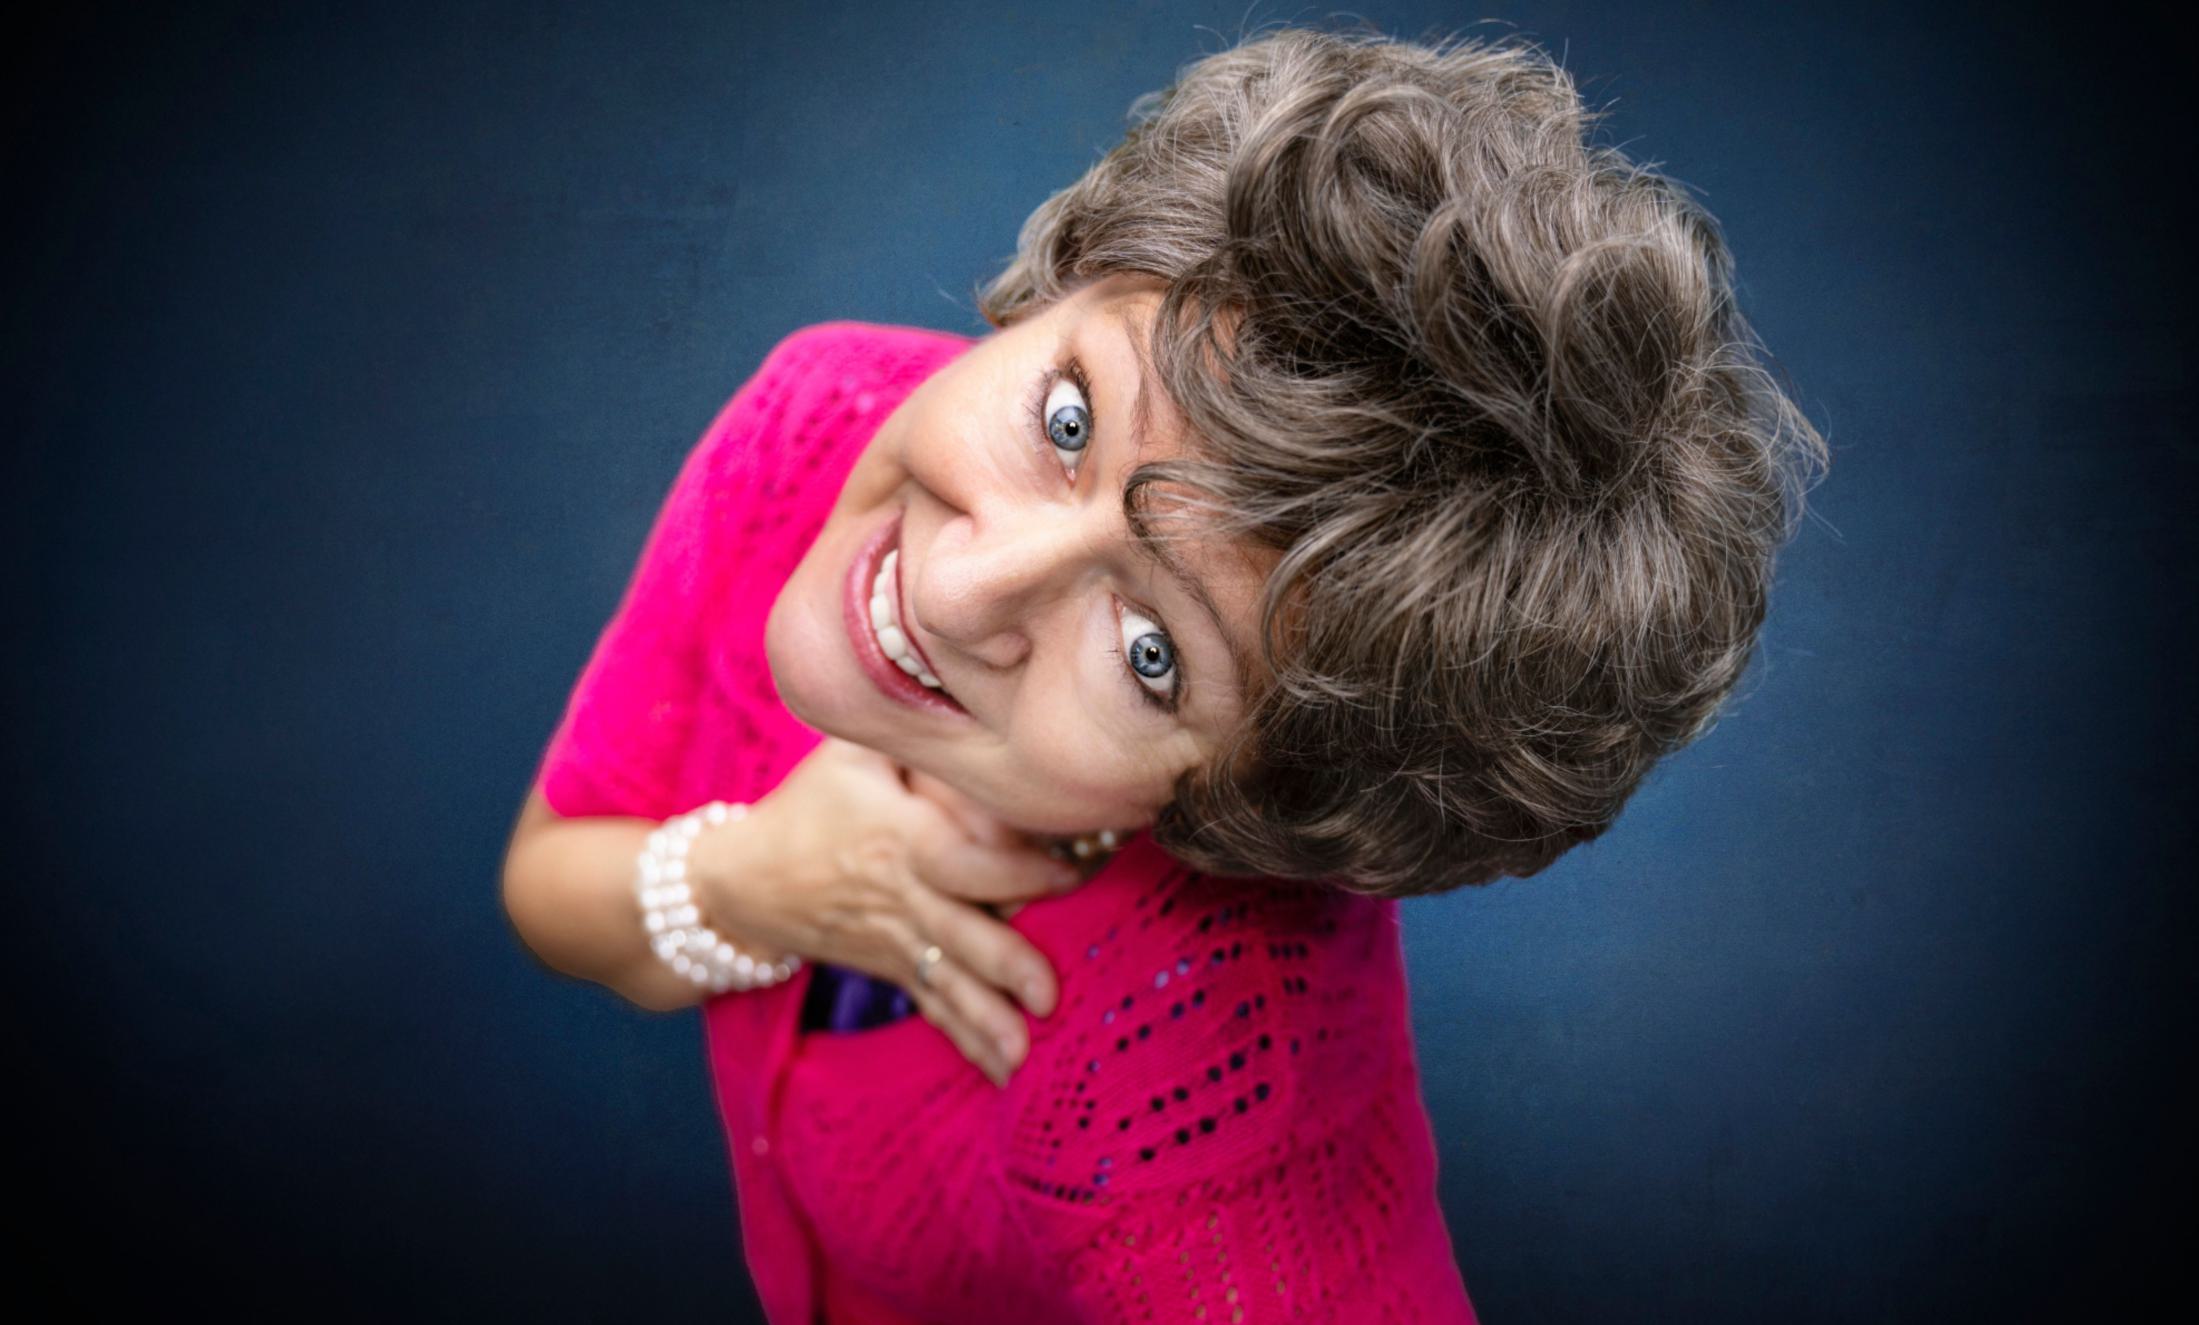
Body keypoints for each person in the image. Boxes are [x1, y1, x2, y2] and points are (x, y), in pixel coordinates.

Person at [500, 24, 1825, 1324]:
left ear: (1242, 798)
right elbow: (549, 881)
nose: (956, 590)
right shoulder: (818, 419)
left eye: (1151, 653)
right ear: (1074, 274)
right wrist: (750, 880)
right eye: (1068, 418)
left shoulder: (1213, 1090)